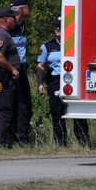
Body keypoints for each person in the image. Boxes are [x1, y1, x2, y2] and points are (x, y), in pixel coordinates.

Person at [0, 0, 33, 146]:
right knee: (11, 107)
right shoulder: (9, 27)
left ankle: (20, 138)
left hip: (21, 70)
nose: (30, 10)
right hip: (9, 71)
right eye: (28, 7)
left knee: (25, 107)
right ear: (22, 9)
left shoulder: (22, 26)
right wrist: (1, 61)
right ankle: (16, 139)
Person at [36, 16, 90, 146]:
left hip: (73, 79)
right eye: (56, 26)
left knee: (77, 111)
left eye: (61, 26)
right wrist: (40, 84)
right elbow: (40, 66)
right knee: (57, 112)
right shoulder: (47, 46)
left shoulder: (73, 43)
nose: (58, 28)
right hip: (56, 80)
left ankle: (84, 143)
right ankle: (61, 143)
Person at [0, 7, 21, 148]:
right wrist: (12, 68)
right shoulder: (2, 35)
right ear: (7, 19)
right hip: (4, 77)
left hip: (1, 75)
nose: (15, 20)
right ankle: (3, 144)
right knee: (5, 111)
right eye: (13, 17)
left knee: (6, 109)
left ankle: (6, 142)